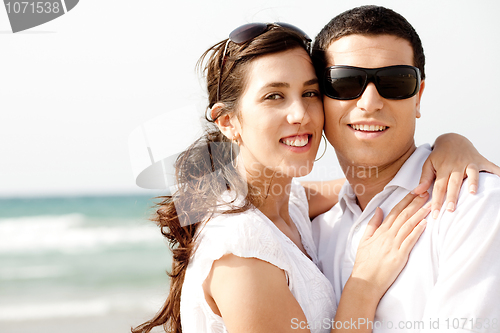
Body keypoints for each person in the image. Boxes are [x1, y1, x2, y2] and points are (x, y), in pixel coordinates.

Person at [131, 23, 498, 333]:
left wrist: (450, 147)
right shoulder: (242, 254)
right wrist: (363, 287)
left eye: (309, 93)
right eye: (274, 96)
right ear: (228, 121)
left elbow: (374, 184)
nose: (300, 114)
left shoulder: (288, 204)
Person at [312, 5, 500, 332]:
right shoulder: (312, 231)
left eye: (395, 81)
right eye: (345, 81)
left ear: (418, 96)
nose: (370, 102)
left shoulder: (476, 206)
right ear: (318, 98)